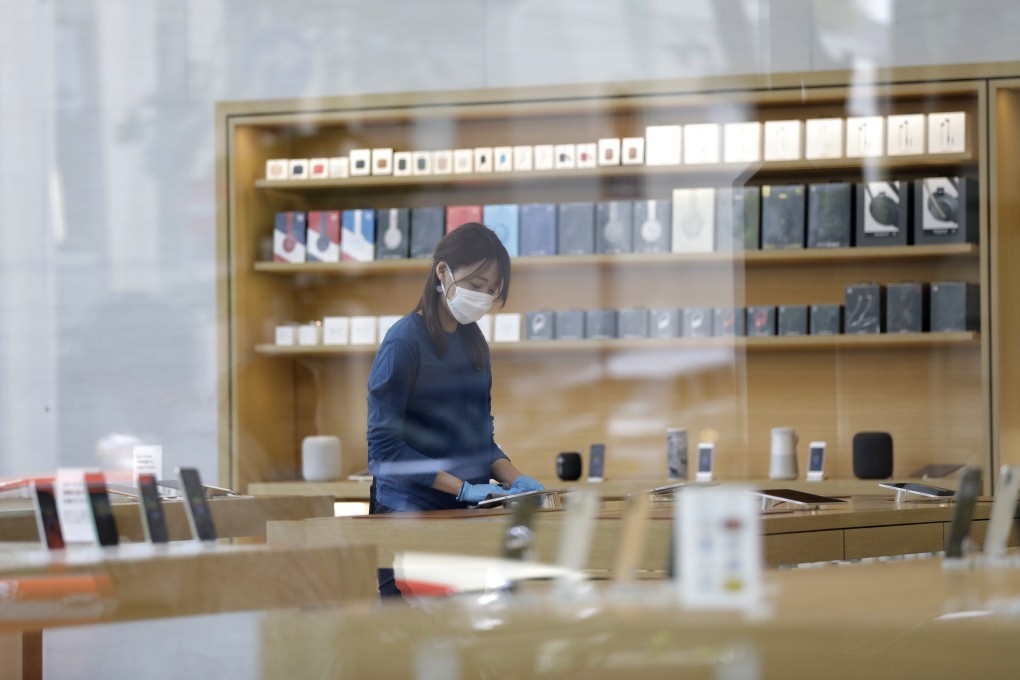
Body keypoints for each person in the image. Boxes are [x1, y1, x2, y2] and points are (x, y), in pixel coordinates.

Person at [366, 223, 544, 595]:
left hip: (464, 520)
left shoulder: (475, 344)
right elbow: (384, 453)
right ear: (442, 272)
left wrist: (516, 482)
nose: (482, 297)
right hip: (408, 518)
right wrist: (461, 489)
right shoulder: (403, 343)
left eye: (491, 291)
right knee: (413, 643)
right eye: (476, 286)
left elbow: (481, 440)